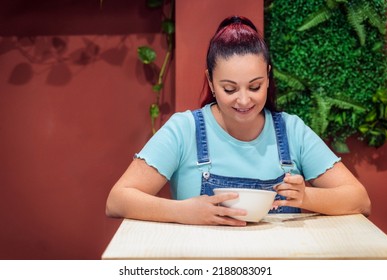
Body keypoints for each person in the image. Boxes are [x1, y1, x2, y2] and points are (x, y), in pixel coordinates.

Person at [106, 16, 371, 226]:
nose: (243, 101)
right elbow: (117, 200)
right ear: (210, 81)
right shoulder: (184, 129)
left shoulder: (292, 130)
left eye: (254, 87)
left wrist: (307, 196)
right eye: (230, 89)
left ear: (268, 77)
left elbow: (360, 200)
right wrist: (183, 211)